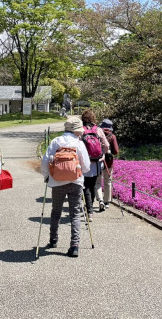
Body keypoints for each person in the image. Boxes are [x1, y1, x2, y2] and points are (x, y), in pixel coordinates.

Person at [41, 116, 90, 257]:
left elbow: (45, 162)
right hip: (76, 182)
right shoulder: (79, 144)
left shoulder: (56, 141)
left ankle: (53, 240)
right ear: (75, 131)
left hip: (57, 182)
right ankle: (74, 246)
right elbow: (86, 167)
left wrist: (46, 176)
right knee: (75, 214)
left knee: (56, 212)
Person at [80, 109, 109, 220]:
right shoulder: (98, 130)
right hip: (97, 162)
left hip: (85, 162)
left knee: (86, 186)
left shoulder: (81, 130)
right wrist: (103, 155)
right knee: (92, 185)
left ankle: (89, 211)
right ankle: (90, 208)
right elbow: (106, 145)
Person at [99, 119, 119, 210]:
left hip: (97, 161)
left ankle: (100, 200)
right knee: (108, 181)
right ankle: (107, 201)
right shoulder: (112, 136)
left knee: (97, 182)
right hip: (109, 162)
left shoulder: (97, 134)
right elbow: (115, 151)